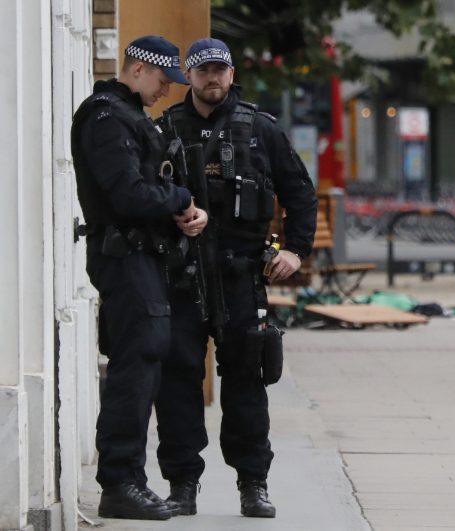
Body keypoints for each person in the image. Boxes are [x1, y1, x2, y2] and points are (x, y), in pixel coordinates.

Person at [154, 37, 317, 518]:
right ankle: (182, 484)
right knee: (178, 380)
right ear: (190, 74)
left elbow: (300, 194)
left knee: (247, 379)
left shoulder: (260, 130)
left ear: (231, 73)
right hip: (182, 277)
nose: (213, 79)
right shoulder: (166, 129)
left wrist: (294, 250)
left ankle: (253, 483)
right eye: (203, 71)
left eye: (219, 70)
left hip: (242, 275)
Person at [70, 35, 207, 520]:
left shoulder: (128, 117)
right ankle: (120, 482)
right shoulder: (106, 116)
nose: (166, 91)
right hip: (123, 257)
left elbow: (148, 185)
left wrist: (180, 208)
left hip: (143, 257)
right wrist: (179, 201)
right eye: (162, 80)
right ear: (138, 68)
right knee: (136, 362)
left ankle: (130, 478)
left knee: (147, 360)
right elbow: (128, 195)